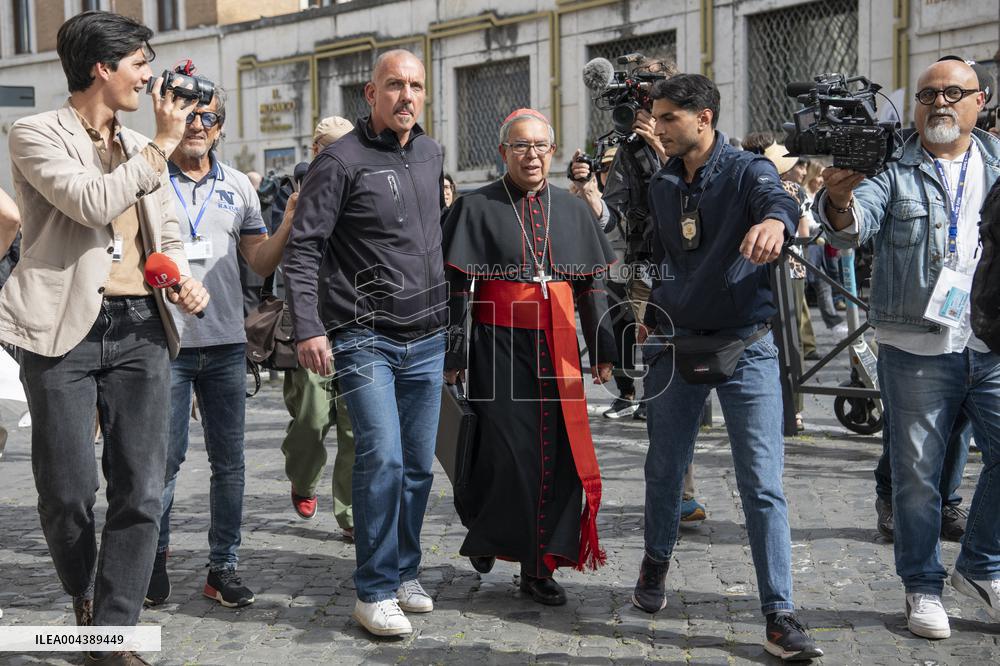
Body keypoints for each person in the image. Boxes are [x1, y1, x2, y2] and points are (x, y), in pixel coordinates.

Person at [0, 10, 208, 665]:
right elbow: (91, 202)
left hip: (141, 326)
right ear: (102, 67)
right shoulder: (33, 133)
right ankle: (83, 597)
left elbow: (164, 231)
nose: (150, 79)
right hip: (60, 331)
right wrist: (161, 146)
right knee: (66, 492)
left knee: (141, 489)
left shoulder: (143, 142)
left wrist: (180, 277)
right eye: (140, 65)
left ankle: (110, 631)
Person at [633, 74, 822, 661]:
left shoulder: (746, 170)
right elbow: (660, 253)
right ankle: (657, 560)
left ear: (704, 118)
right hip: (673, 345)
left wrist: (774, 224)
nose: (657, 128)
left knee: (761, 483)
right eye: (656, 117)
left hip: (748, 347)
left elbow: (780, 198)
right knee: (664, 468)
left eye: (668, 118)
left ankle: (779, 614)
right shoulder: (663, 182)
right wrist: (650, 310)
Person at [817, 56, 1000, 639]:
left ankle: (980, 565)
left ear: (981, 100)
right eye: (927, 95)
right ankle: (923, 586)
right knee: (918, 478)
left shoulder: (997, 165)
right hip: (915, 345)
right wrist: (839, 201)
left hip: (990, 339)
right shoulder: (890, 170)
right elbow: (850, 227)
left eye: (953, 93)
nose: (939, 103)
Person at [284, 49, 446, 638]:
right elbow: (304, 250)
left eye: (416, 86)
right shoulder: (340, 161)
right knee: (382, 458)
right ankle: (373, 591)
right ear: (370, 94)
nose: (407, 96)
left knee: (418, 469)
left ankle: (404, 572)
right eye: (395, 85)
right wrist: (308, 325)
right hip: (364, 336)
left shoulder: (431, 153)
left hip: (429, 337)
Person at [443, 108, 616, 605]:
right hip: (497, 347)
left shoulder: (573, 208)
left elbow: (592, 285)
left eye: (540, 145)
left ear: (553, 151)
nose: (532, 155)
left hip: (558, 347)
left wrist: (603, 349)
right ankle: (486, 528)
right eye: (520, 146)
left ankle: (537, 567)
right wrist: (454, 352)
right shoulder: (477, 206)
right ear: (503, 153)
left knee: (557, 456)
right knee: (504, 451)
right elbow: (456, 288)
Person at [145, 85, 293, 609]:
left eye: (207, 117)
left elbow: (259, 262)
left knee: (229, 465)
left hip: (227, 343)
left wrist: (291, 219)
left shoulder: (238, 188)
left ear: (221, 127)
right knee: (162, 461)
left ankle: (222, 568)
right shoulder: (149, 175)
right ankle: (152, 562)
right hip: (164, 343)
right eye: (188, 114)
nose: (197, 125)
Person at [569, 114, 707, 526]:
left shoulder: (696, 148)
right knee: (664, 388)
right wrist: (592, 194)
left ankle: (675, 493)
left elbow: (698, 204)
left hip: (696, 282)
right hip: (641, 277)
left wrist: (666, 156)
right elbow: (615, 218)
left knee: (688, 390)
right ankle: (676, 495)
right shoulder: (629, 151)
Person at [280, 115, 356, 541]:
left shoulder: (362, 187)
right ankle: (302, 477)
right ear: (315, 151)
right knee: (311, 417)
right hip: (312, 323)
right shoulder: (298, 195)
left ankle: (350, 515)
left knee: (353, 426)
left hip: (357, 323)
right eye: (330, 149)